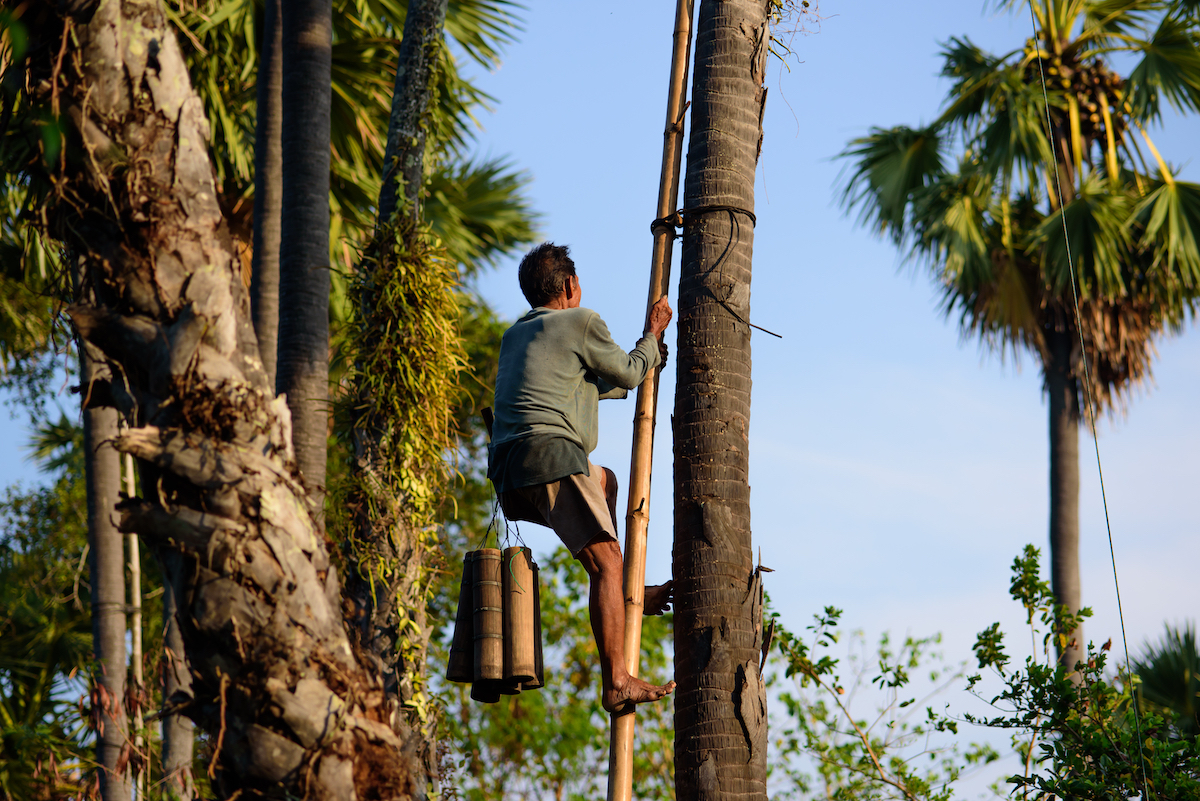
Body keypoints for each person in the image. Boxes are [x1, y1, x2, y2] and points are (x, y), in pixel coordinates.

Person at [488, 242, 676, 713]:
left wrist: (647, 357)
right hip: (550, 455)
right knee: (605, 562)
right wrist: (651, 338)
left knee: (605, 481)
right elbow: (629, 375)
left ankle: (633, 589)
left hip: (511, 473)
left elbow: (586, 385)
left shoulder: (518, 335)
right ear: (570, 285)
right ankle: (616, 680)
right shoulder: (580, 321)